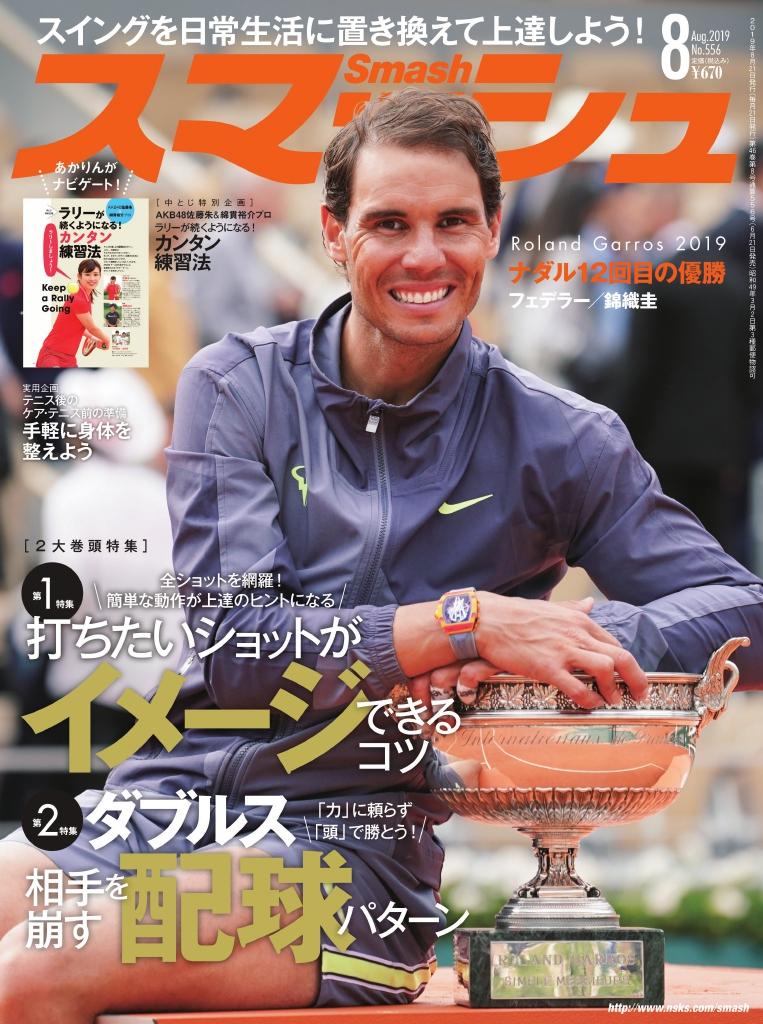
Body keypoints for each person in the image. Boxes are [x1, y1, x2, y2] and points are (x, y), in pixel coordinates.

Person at [1, 91, 762, 1020]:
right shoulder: (236, 385)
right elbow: (240, 652)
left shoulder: (562, 437)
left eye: (453, 222)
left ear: (491, 232)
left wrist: (565, 637)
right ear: (334, 232)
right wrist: (463, 623)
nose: (423, 255)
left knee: (38, 970)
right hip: (161, 806)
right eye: (389, 223)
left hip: (346, 860)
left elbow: (742, 610)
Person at [35, 259, 111, 368]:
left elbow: (77, 326)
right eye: (87, 274)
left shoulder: (86, 296)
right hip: (52, 355)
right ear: (79, 276)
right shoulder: (78, 299)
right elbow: (92, 328)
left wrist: (93, 338)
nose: (92, 278)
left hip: (69, 358)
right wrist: (107, 340)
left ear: (100, 276)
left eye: (95, 274)